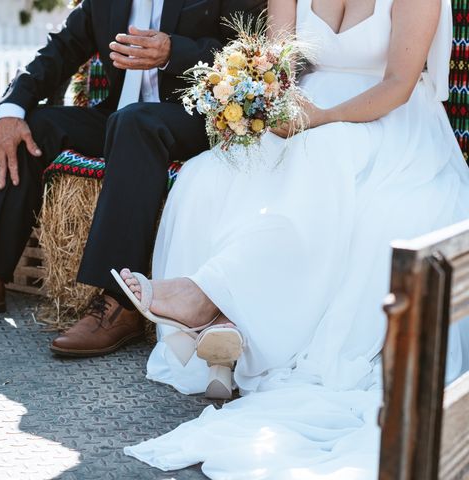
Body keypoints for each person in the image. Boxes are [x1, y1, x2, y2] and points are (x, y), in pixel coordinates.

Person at [114, 0, 469, 477]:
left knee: (324, 161)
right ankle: (229, 324)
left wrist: (322, 119)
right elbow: (280, 67)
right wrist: (257, 103)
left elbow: (399, 86)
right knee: (207, 176)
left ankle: (205, 299)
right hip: (303, 114)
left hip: (386, 121)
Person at [0, 0, 266, 357]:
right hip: (121, 120)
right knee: (38, 127)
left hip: (198, 118)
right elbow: (61, 48)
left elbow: (247, 51)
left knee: (134, 123)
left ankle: (121, 301)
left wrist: (174, 52)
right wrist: (11, 108)